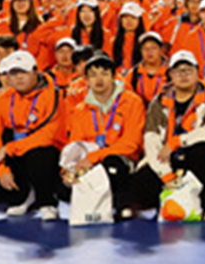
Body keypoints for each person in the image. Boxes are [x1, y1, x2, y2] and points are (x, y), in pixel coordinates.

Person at [0, 51, 65, 220]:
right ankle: (23, 194)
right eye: (14, 73)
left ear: (35, 72)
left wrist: (9, 149)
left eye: (24, 72)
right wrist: (1, 170)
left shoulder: (54, 96)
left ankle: (46, 201)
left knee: (39, 156)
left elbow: (50, 135)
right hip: (14, 154)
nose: (19, 78)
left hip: (45, 154)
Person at [133, 50, 205, 221]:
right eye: (178, 71)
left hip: (193, 156)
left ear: (197, 73)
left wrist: (177, 141)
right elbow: (150, 139)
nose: (183, 75)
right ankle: (164, 202)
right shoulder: (158, 102)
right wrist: (165, 174)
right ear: (171, 75)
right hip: (164, 158)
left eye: (188, 70)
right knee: (138, 186)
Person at [62, 53, 149, 219]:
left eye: (104, 73)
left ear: (113, 77)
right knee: (64, 183)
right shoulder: (80, 110)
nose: (99, 79)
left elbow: (131, 143)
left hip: (124, 159)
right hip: (91, 162)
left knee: (112, 164)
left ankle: (122, 205)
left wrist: (94, 157)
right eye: (93, 75)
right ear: (86, 81)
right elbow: (75, 145)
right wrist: (68, 170)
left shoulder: (132, 101)